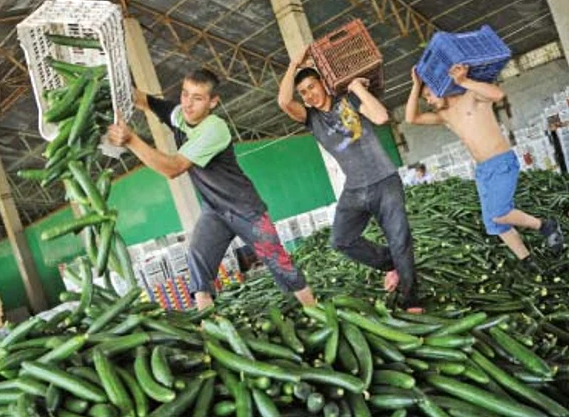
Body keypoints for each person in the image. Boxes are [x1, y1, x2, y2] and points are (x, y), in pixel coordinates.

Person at [107, 68, 316, 310]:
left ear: (213, 102)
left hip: (245, 209)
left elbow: (173, 168)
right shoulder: (180, 116)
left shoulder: (214, 128)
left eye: (198, 98)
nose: (188, 104)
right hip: (214, 209)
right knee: (198, 264)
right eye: (185, 94)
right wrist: (115, 81)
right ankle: (208, 327)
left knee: (279, 263)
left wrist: (131, 140)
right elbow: (144, 101)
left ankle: (316, 312)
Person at [277, 46, 422, 312]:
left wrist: (356, 87)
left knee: (399, 238)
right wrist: (293, 64)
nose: (310, 94)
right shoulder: (312, 119)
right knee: (341, 240)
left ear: (324, 82)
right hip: (355, 189)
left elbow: (380, 116)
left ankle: (412, 300)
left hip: (384, 181)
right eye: (304, 92)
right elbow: (284, 102)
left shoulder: (349, 100)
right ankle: (392, 263)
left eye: (312, 86)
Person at [405, 64, 564, 268]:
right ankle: (527, 260)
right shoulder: (445, 116)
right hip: (482, 171)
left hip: (501, 162)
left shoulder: (471, 96)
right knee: (494, 223)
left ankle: (545, 225)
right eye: (425, 98)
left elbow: (498, 94)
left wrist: (464, 81)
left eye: (428, 95)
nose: (428, 101)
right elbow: (411, 118)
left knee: (500, 213)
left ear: (441, 86)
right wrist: (416, 85)